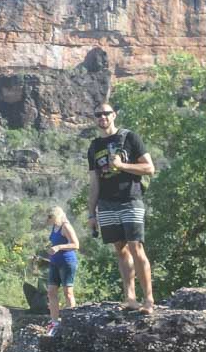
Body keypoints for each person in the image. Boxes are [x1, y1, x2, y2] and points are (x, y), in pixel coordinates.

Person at [87, 103, 157, 312]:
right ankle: (130, 298)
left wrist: (122, 166)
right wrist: (91, 214)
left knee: (136, 247)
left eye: (106, 113)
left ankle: (149, 300)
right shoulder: (94, 146)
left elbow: (149, 168)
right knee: (120, 249)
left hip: (130, 199)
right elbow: (94, 183)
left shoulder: (130, 138)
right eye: (98, 114)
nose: (102, 117)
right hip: (106, 203)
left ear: (114, 115)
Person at [44, 206, 79, 335]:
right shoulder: (54, 227)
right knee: (51, 291)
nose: (48, 219)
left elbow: (76, 244)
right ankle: (54, 322)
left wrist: (59, 247)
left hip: (67, 262)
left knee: (68, 292)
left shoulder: (66, 226)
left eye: (50, 216)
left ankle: (72, 321)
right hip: (54, 262)